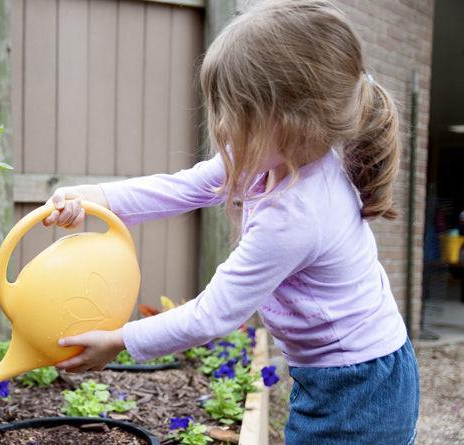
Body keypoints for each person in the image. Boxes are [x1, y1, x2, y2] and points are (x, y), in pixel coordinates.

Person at [41, 1, 419, 443]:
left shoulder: (296, 214)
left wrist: (119, 339)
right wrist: (93, 198)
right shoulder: (274, 158)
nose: (219, 124)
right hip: (342, 373)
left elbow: (211, 315)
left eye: (235, 111)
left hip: (359, 390)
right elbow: (184, 187)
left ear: (294, 121)